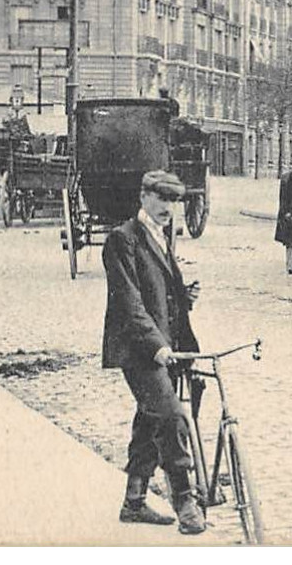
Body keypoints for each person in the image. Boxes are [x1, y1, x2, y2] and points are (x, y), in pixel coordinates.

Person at [101, 170, 207, 535]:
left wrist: (182, 295)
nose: (168, 207)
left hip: (166, 346)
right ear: (144, 196)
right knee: (171, 415)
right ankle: (185, 501)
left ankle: (134, 501)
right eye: (161, 198)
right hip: (138, 349)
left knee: (150, 419)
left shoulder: (162, 236)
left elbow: (158, 291)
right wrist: (157, 346)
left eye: (174, 200)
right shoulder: (122, 239)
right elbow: (129, 303)